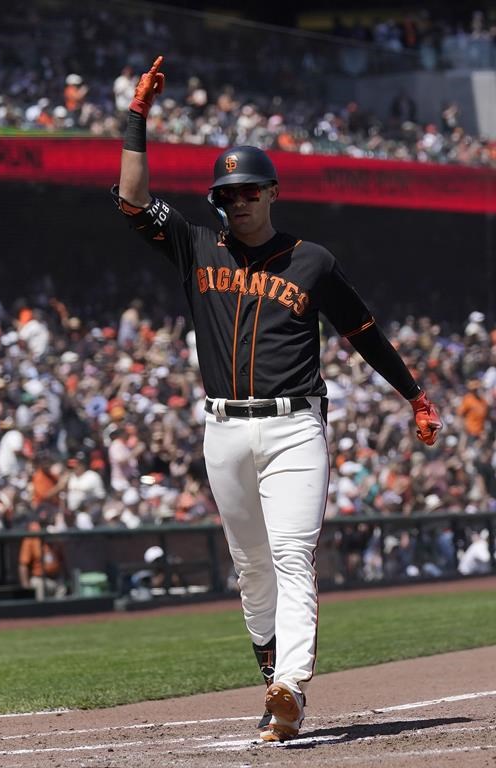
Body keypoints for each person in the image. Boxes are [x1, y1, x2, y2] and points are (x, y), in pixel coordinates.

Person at [113, 55, 442, 742]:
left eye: (249, 191)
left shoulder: (312, 262)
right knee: (251, 571)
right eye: (228, 194)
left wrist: (414, 394)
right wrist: (135, 121)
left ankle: (290, 685)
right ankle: (274, 679)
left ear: (272, 192)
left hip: (295, 427)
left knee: (292, 557)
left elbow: (364, 334)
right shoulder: (196, 246)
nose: (239, 201)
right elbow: (133, 202)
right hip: (223, 430)